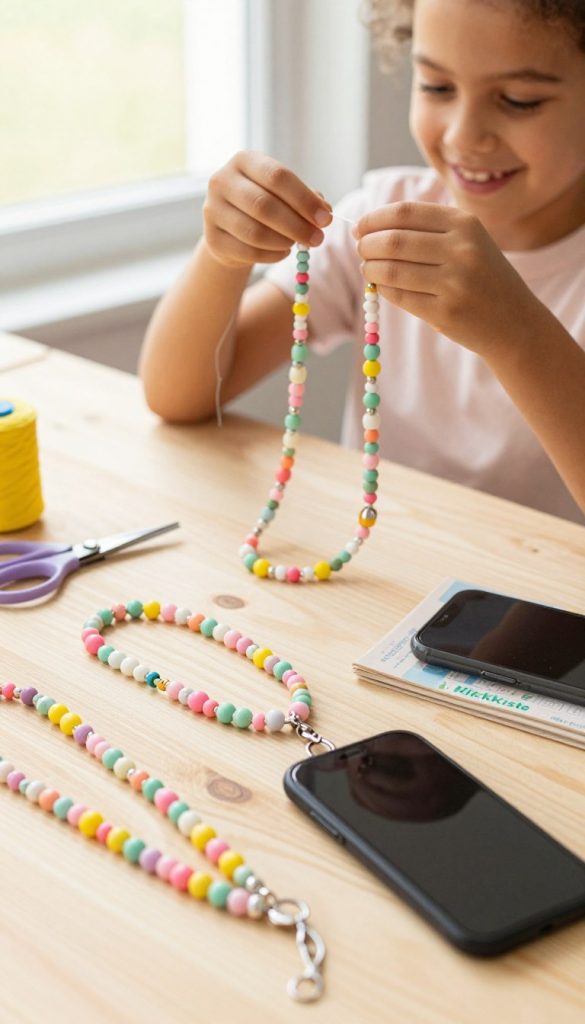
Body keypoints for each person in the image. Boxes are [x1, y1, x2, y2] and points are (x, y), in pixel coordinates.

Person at [139, 0, 585, 524]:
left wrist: (518, 334)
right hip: (378, 565)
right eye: (437, 87)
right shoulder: (380, 219)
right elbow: (177, 396)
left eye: (519, 100)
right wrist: (223, 255)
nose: (463, 135)